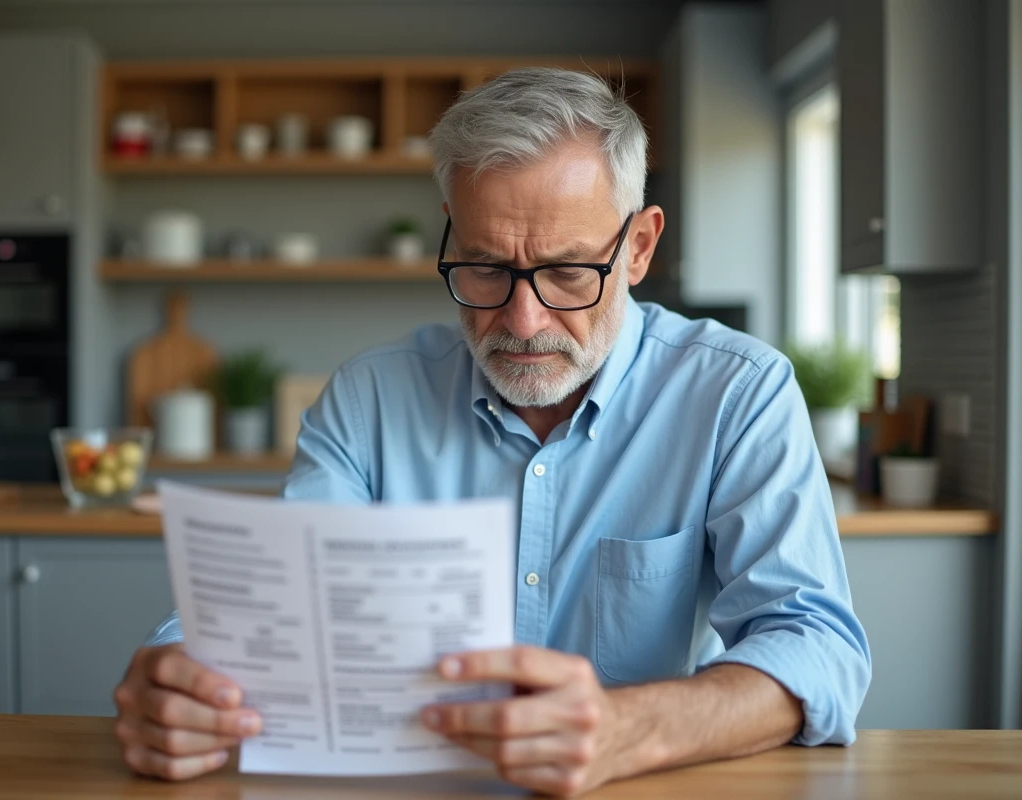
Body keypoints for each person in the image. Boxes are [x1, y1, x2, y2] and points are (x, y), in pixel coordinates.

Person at [113, 67, 871, 797]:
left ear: (638, 247)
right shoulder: (371, 398)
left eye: (569, 272)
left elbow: (818, 648)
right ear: (452, 236)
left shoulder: (736, 393)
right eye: (483, 268)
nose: (522, 320)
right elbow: (274, 602)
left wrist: (628, 728)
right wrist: (180, 672)